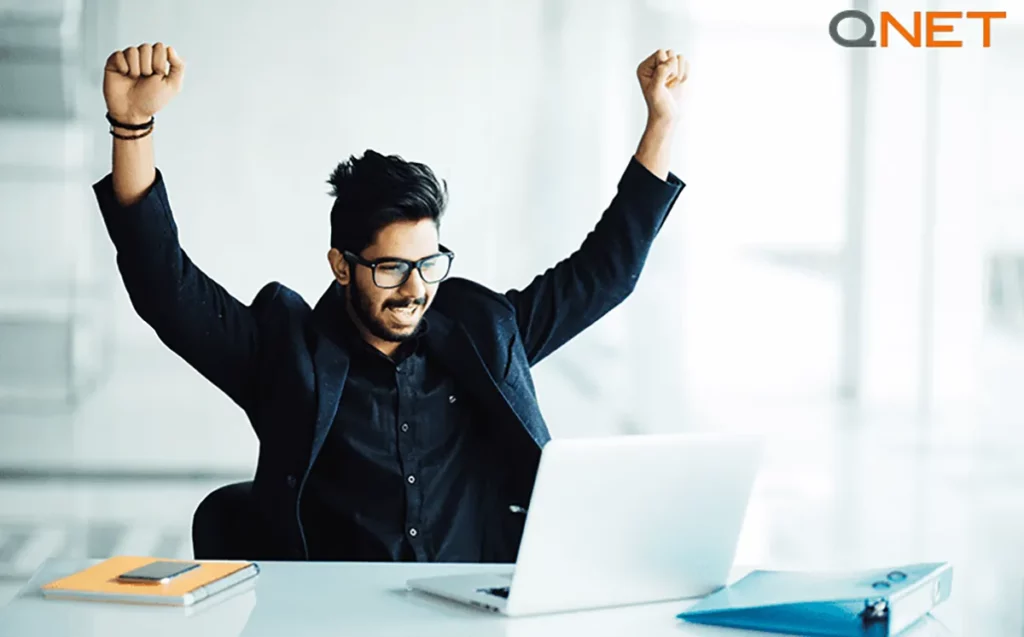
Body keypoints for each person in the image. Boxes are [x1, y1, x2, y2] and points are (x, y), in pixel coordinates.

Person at [95, 42, 688, 563]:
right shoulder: (285, 355)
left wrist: (659, 123)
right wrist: (132, 129)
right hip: (338, 618)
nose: (414, 289)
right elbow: (165, 289)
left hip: (472, 611)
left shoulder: (484, 333)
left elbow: (604, 274)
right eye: (390, 268)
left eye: (429, 264)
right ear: (341, 265)